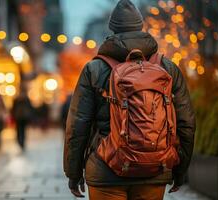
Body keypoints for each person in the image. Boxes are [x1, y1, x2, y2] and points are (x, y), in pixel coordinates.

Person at [63, 0, 196, 199]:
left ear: (112, 29)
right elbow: (186, 123)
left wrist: (73, 174)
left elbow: (78, 126)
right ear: (141, 26)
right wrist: (179, 169)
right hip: (154, 168)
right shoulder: (167, 68)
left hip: (105, 168)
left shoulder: (94, 69)